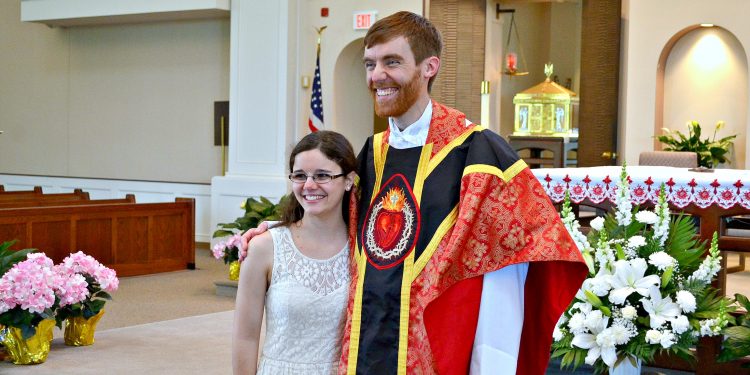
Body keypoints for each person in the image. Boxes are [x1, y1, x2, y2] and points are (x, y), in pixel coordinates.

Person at [243, 11, 587, 375]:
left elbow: (526, 244)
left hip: (435, 347)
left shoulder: (476, 151)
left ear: (429, 67)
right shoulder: (371, 153)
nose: (377, 76)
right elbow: (333, 217)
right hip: (365, 339)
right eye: (370, 64)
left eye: (392, 62)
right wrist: (276, 232)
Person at [232, 131, 356, 375]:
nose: (309, 185)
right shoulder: (264, 247)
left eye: (322, 175)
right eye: (300, 175)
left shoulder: (365, 249)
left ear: (349, 180)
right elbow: (245, 338)